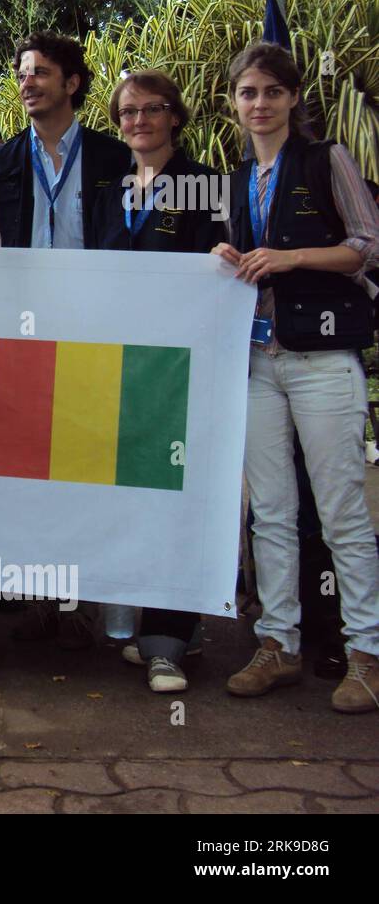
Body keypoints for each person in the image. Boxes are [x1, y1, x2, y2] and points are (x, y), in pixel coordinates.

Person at [213, 43, 379, 714]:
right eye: (248, 92)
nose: (260, 103)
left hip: (322, 356)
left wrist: (289, 258)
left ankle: (365, 651)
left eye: (272, 91)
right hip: (257, 357)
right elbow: (244, 264)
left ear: (292, 98)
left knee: (341, 509)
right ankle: (276, 640)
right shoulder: (231, 180)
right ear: (234, 103)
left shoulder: (326, 158)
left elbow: (366, 244)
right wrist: (230, 259)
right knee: (271, 512)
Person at [0, 31, 131, 650]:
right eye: (22, 74)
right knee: (28, 467)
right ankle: (42, 595)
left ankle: (88, 600)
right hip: (24, 332)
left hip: (94, 328)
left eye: (41, 72)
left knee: (89, 465)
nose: (27, 83)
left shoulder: (115, 159)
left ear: (72, 82)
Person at [97, 70, 225, 693]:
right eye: (127, 112)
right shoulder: (108, 188)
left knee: (175, 497)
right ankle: (141, 625)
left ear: (176, 116)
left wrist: (223, 263)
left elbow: (225, 263)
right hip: (118, 365)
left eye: (152, 109)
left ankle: (170, 640)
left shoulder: (206, 187)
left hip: (181, 367)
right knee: (129, 495)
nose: (139, 121)